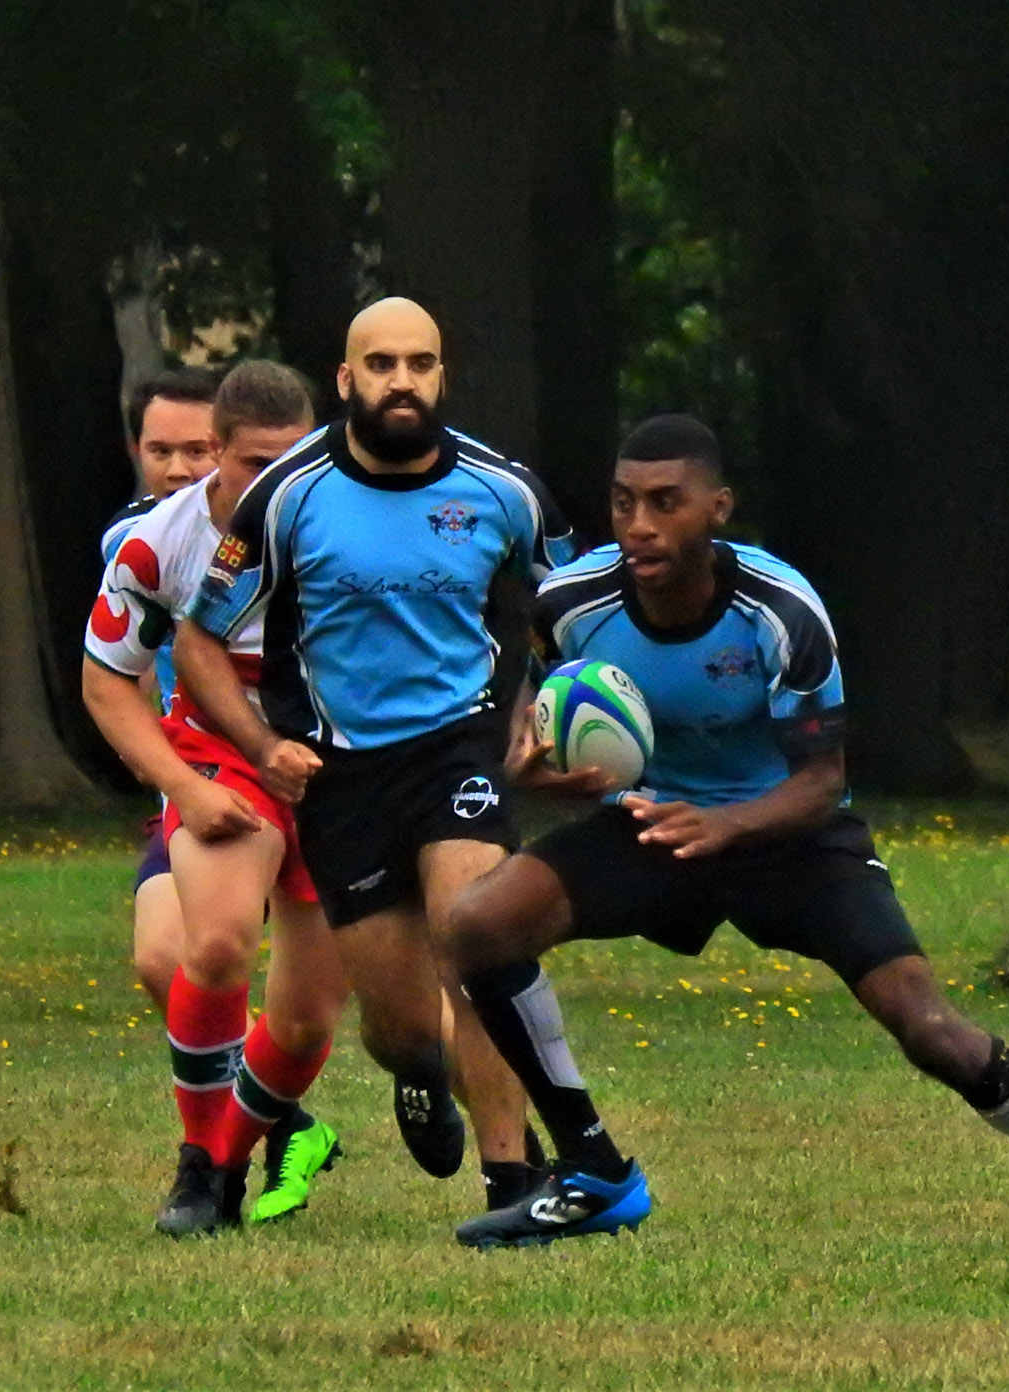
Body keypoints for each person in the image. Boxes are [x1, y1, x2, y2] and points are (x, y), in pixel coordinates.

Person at [443, 414, 1009, 1249]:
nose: (640, 526)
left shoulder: (780, 609)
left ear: (718, 507)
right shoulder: (572, 601)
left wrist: (725, 824)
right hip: (656, 828)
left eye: (666, 503)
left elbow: (821, 781)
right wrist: (535, 767)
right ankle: (594, 1172)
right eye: (623, 505)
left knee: (927, 1027)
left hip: (788, 834)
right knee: (477, 926)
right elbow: (547, 705)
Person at [178, 297, 569, 1214]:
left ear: (442, 377)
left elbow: (574, 610)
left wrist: (546, 709)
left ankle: (511, 1179)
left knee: (475, 941)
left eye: (420, 364)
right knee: (398, 1028)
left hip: (458, 749)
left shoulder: (504, 492)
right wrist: (264, 743)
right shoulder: (288, 495)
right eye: (382, 364)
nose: (403, 381)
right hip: (340, 772)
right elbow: (199, 642)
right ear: (347, 381)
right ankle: (422, 1075)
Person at [84, 361, 346, 1235]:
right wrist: (184, 787)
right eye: (249, 466)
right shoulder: (159, 544)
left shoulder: (360, 527)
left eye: (292, 463)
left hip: (351, 767)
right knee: (214, 943)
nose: (271, 487)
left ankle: (245, 1153)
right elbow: (107, 682)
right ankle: (203, 1167)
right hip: (221, 754)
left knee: (311, 1021)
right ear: (217, 460)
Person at [100, 366, 224, 1012]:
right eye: (160, 451)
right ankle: (282, 1113)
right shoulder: (133, 542)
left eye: (197, 450)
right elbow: (130, 673)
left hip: (310, 774)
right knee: (161, 957)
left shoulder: (293, 531)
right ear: (135, 451)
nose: (178, 469)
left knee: (391, 991)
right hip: (202, 780)